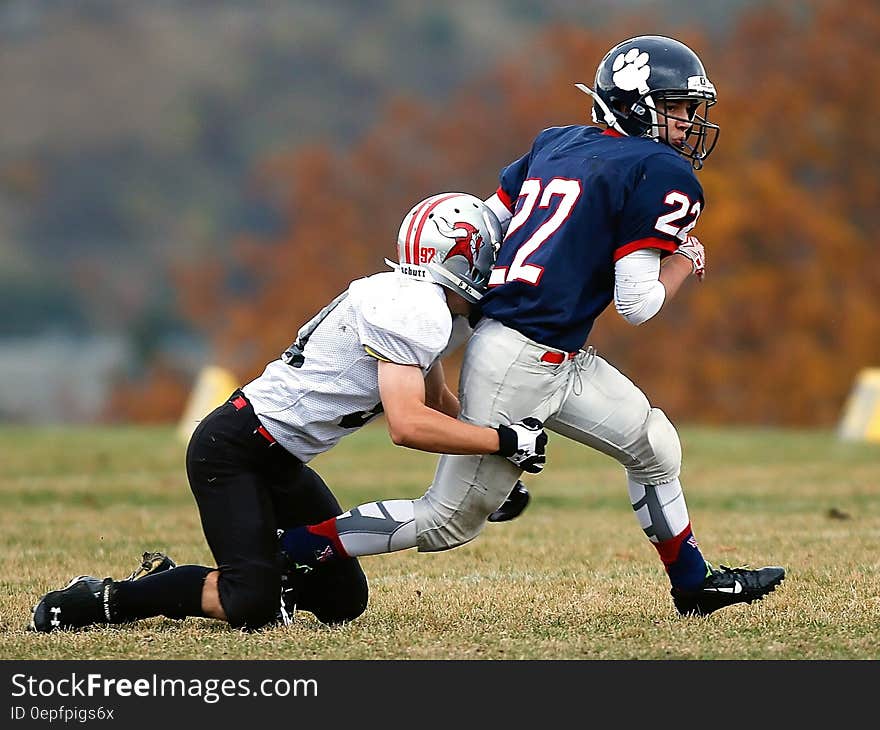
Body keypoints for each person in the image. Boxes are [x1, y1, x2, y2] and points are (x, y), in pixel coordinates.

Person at [277, 35, 785, 617]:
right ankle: (295, 550)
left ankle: (694, 585)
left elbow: (487, 222)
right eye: (676, 106)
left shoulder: (556, 143)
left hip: (549, 351)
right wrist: (682, 260)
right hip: (521, 360)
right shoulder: (657, 169)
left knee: (653, 445)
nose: (688, 121)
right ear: (635, 104)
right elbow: (637, 303)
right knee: (447, 521)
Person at [29, 192, 548, 633]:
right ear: (462, 258)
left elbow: (435, 401)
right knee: (248, 603)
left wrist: (489, 463)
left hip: (279, 459)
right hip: (235, 449)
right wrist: (503, 443)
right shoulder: (414, 310)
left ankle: (246, 573)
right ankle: (105, 600)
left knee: (343, 603)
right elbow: (408, 424)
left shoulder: (418, 304)